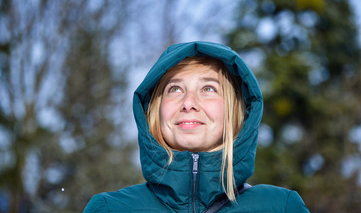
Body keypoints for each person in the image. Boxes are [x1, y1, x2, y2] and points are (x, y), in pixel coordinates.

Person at [83, 41, 309, 212]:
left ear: (234, 111)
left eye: (208, 89)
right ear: (155, 111)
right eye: (175, 89)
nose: (188, 103)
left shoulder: (281, 206)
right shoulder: (110, 208)